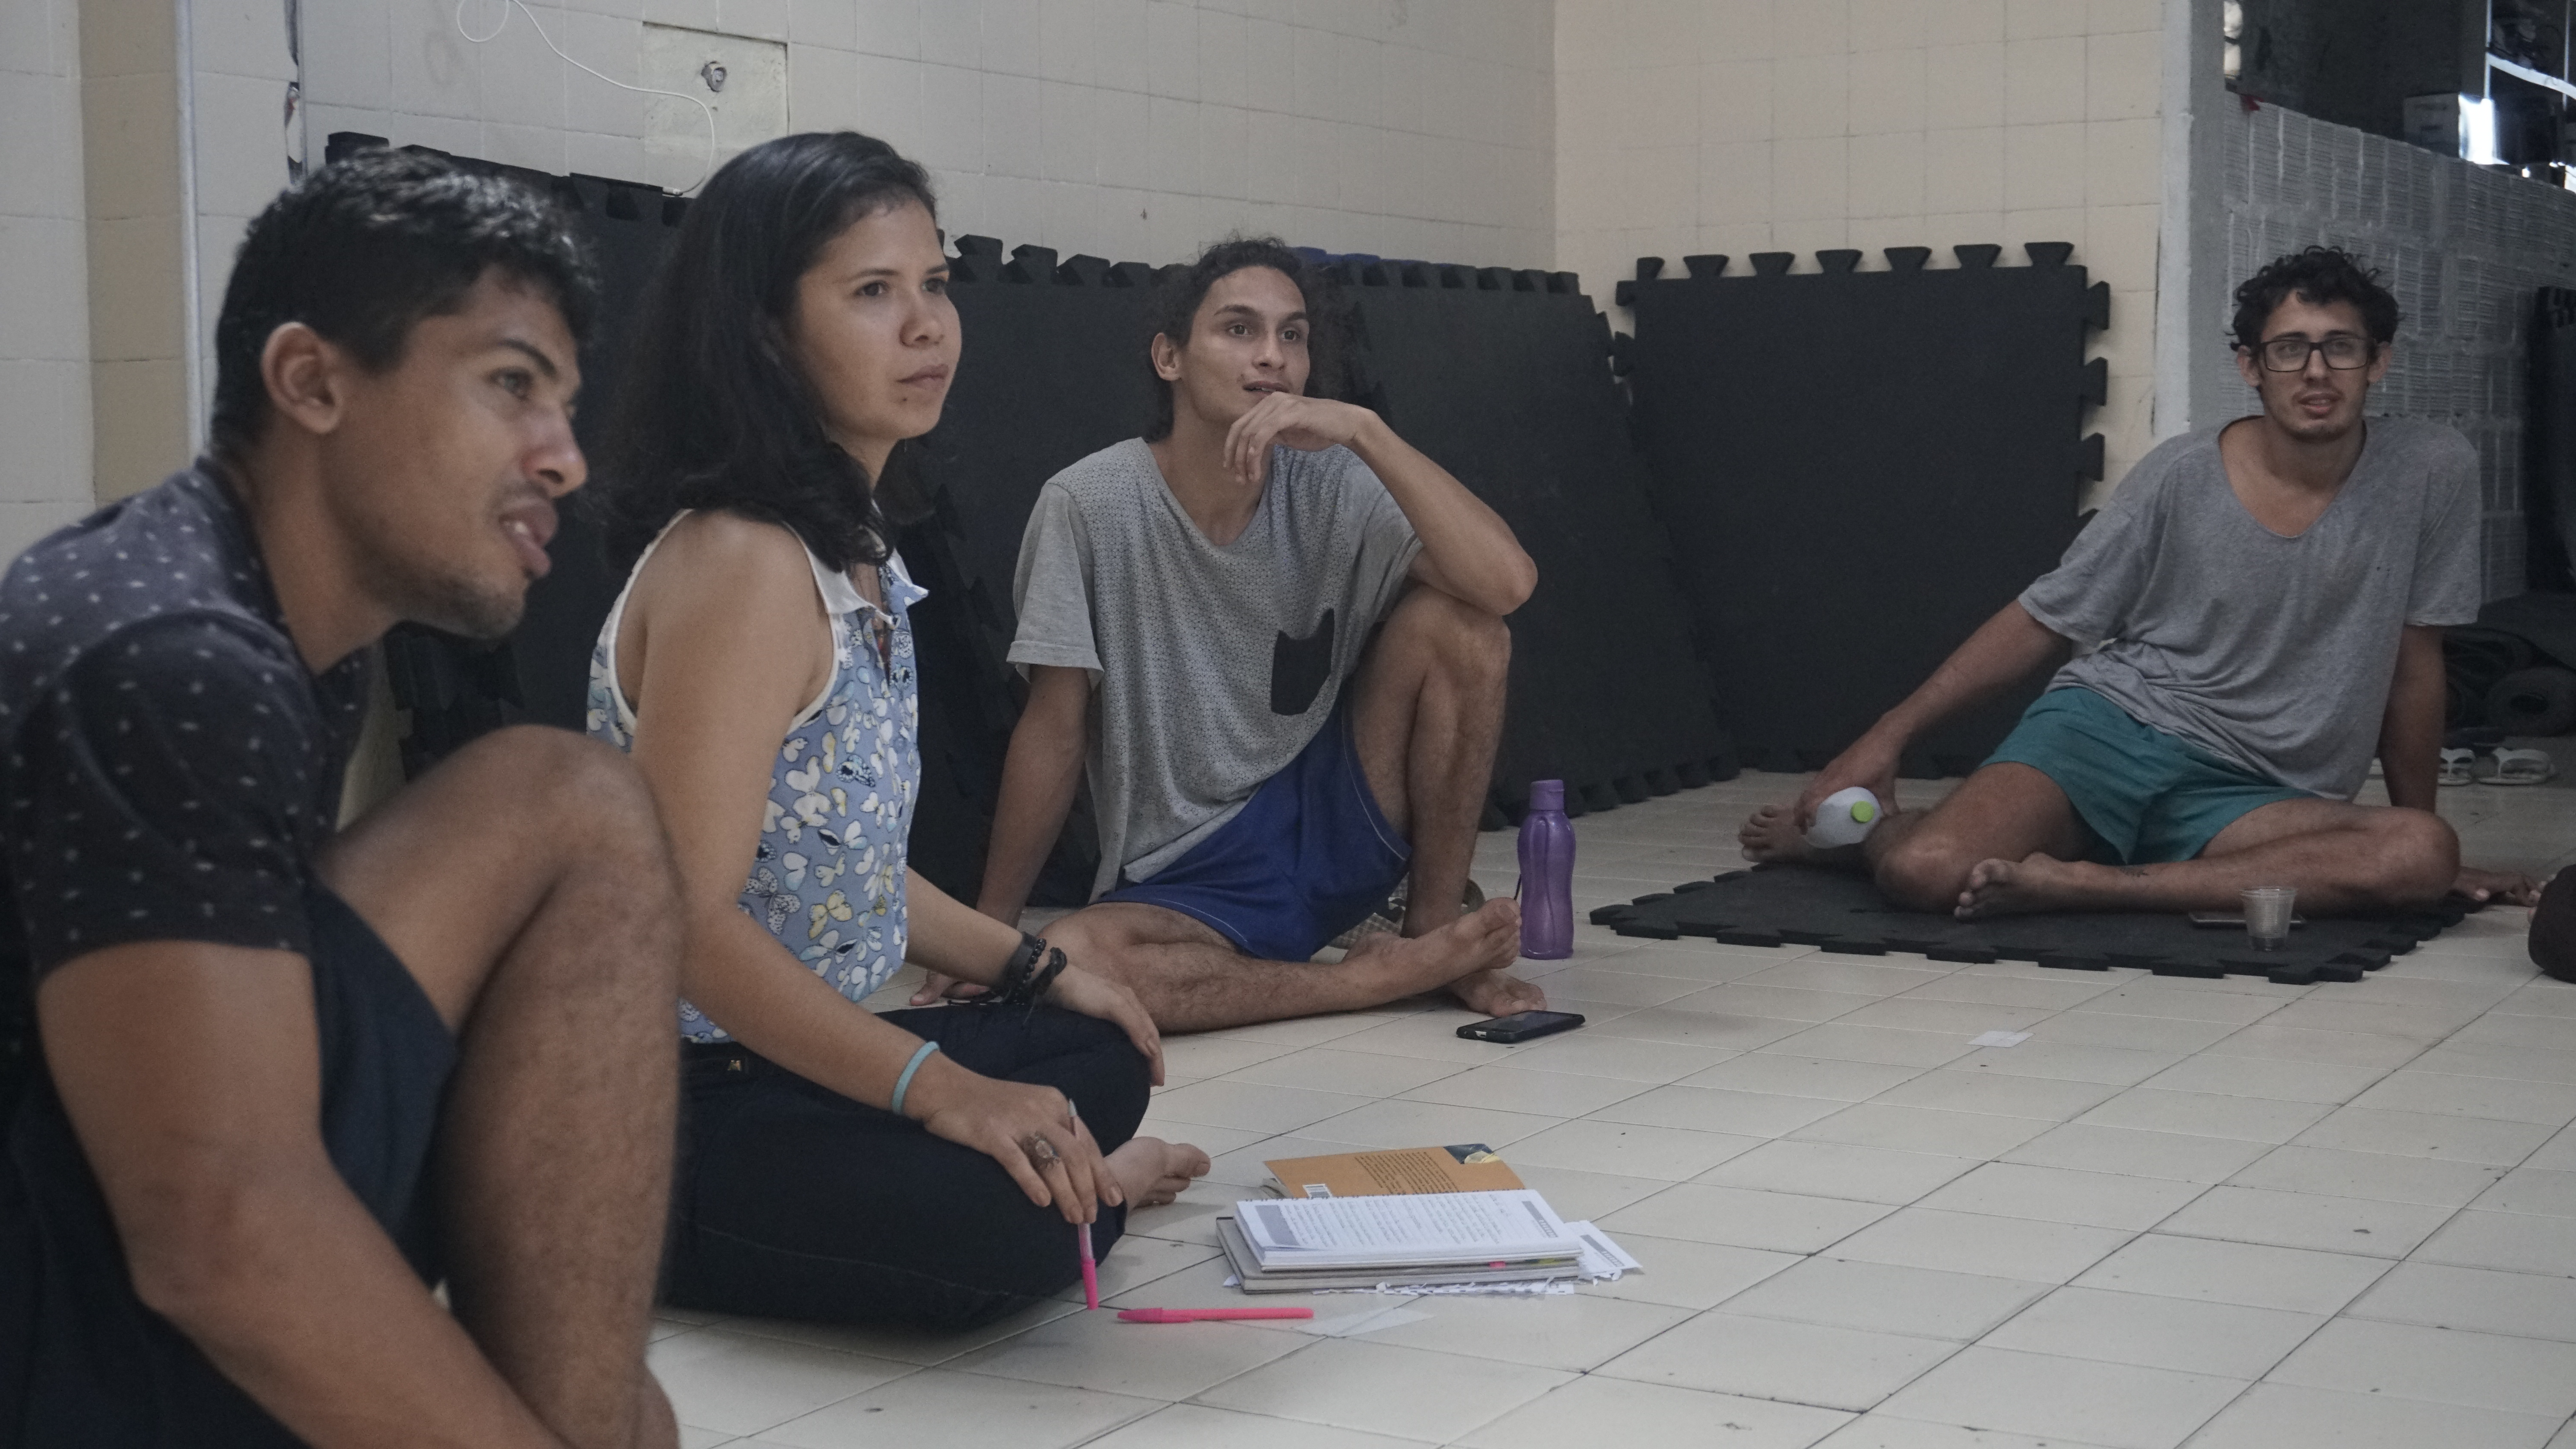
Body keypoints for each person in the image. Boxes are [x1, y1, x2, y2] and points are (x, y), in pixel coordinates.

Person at [0, 151, 684, 1447]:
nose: (564, 459)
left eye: (563, 403)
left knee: (613, 1404)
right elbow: (218, 1229)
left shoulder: (285, 634)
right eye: (511, 384)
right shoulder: (174, 655)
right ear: (312, 382)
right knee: (570, 807)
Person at [589, 132, 1207, 1332]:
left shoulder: (853, 548)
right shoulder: (741, 562)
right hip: (674, 1107)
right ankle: (1091, 1194)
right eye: (873, 292)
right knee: (1002, 1228)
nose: (928, 326)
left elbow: (851, 866)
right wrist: (939, 1086)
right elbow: (684, 923)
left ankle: (1065, 1176)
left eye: (934, 283)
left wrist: (1039, 967)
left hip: (794, 1058)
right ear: (767, 333)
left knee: (1102, 1046)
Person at [1741, 246, 2542, 918]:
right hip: (2110, 735)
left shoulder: (2432, 470)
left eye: (2341, 347)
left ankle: (2087, 883)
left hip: (2258, 793)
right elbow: (2046, 617)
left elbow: (2415, 665)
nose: (2316, 371)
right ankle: (1869, 839)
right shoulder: (2180, 474)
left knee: (2419, 852)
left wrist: (2432, 848)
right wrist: (1887, 736)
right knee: (1926, 872)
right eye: (2289, 349)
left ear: (2379, 362)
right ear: (2251, 366)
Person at [919, 238, 1541, 1033]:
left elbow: (1506, 585)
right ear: (1170, 358)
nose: (1272, 356)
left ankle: (1428, 934)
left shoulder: (1335, 482)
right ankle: (1372, 980)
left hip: (1333, 823)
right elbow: (1054, 729)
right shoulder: (1089, 503)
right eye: (1240, 329)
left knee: (1464, 627)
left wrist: (1366, 432)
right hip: (1188, 876)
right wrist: (991, 932)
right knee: (1075, 959)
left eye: (1293, 335)